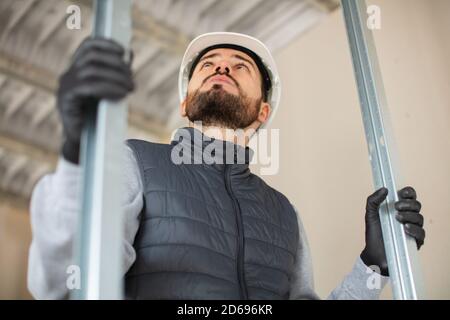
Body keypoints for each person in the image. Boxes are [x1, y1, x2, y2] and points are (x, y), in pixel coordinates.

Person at [27, 32, 425, 299]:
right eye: (209, 64)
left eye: (240, 66)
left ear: (262, 110)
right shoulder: (134, 162)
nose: (221, 67)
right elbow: (65, 283)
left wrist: (375, 265)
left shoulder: (285, 214)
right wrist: (77, 154)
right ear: (185, 104)